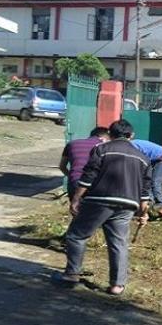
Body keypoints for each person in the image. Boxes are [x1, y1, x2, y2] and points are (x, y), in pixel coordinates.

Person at [59, 120, 150, 296]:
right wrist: (143, 212)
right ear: (131, 136)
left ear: (110, 134)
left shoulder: (101, 149)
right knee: (119, 243)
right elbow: (145, 189)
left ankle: (72, 275)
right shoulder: (143, 158)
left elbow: (89, 175)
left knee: (77, 235)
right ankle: (117, 285)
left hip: (100, 200)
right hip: (128, 204)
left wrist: (76, 198)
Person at [59, 127, 109, 198]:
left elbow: (62, 167)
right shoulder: (104, 146)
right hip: (94, 185)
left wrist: (72, 176)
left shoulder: (71, 144)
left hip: (75, 183)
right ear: (103, 138)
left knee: (75, 204)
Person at [130, 138, 162, 206]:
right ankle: (150, 201)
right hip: (156, 159)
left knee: (155, 181)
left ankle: (160, 203)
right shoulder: (132, 144)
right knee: (147, 179)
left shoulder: (132, 146)